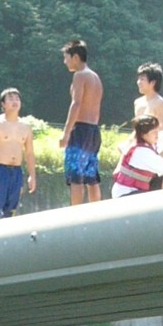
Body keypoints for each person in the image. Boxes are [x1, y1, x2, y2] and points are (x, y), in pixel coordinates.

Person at [58, 39, 104, 205]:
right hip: (93, 131)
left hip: (81, 129)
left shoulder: (80, 75)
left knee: (76, 175)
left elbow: (76, 104)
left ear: (75, 57)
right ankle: (95, 211)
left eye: (66, 57)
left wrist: (66, 132)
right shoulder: (95, 77)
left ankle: (75, 213)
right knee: (91, 175)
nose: (65, 62)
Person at [0, 87, 37, 221]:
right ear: (3, 104)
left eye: (17, 99)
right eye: (10, 99)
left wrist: (32, 176)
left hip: (16, 171)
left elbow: (29, 153)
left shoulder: (26, 127)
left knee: (10, 213)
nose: (15, 101)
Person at [111, 115, 163, 198]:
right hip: (126, 194)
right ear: (143, 134)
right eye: (154, 132)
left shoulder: (149, 140)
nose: (157, 134)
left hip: (139, 189)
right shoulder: (141, 153)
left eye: (157, 131)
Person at [134, 63, 163, 131]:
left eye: (142, 79)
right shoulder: (137, 102)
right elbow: (136, 130)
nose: (139, 82)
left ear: (153, 82)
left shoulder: (159, 102)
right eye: (138, 79)